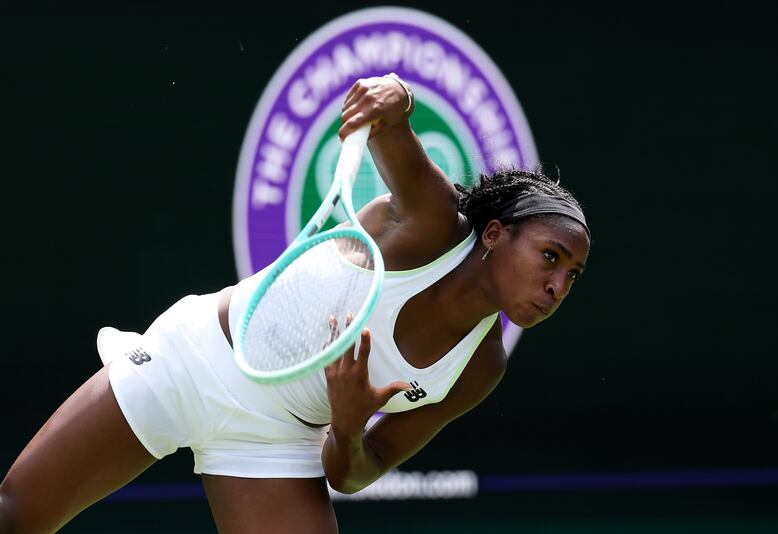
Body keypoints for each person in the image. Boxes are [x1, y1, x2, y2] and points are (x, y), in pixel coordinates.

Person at [0, 74, 590, 533]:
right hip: (195, 360)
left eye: (572, 276)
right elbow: (388, 121)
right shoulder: (432, 223)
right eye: (550, 257)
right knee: (17, 515)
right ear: (494, 236)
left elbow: (352, 471)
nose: (557, 287)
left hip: (275, 443)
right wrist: (399, 94)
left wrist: (351, 425)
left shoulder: (481, 366)